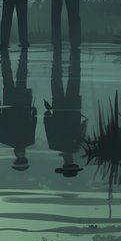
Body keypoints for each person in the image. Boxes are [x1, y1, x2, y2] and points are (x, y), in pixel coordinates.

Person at [43, 45, 85, 178]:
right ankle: (57, 55)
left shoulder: (77, 146)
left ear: (71, 161)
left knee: (74, 77)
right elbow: (47, 122)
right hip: (59, 107)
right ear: (64, 163)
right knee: (56, 80)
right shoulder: (54, 145)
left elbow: (82, 127)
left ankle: (73, 54)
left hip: (73, 107)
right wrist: (48, 113)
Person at [0, 46, 36, 171]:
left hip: (23, 102)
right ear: (15, 157)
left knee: (22, 75)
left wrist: (34, 110)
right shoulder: (5, 140)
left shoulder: (30, 140)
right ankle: (5, 55)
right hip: (10, 102)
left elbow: (34, 118)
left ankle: (23, 53)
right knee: (7, 76)